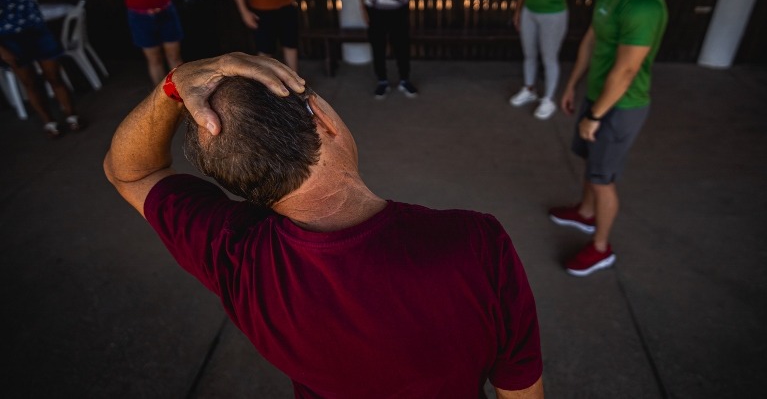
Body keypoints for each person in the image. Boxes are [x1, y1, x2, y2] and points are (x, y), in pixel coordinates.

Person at [103, 52, 544, 398]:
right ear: (325, 121)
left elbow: (130, 173)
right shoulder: (474, 243)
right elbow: (519, 384)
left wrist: (172, 86)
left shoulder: (234, 256)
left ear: (234, 178)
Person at [549, 0, 678, 276]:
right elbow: (591, 39)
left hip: (621, 106)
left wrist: (595, 116)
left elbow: (626, 71)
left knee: (603, 178)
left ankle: (600, 247)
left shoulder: (645, 5)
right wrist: (573, 84)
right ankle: (585, 213)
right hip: (597, 96)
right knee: (591, 162)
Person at [1, 0, 84, 138]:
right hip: (9, 39)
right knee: (30, 82)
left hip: (37, 31)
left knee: (54, 76)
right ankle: (49, 122)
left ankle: (71, 116)